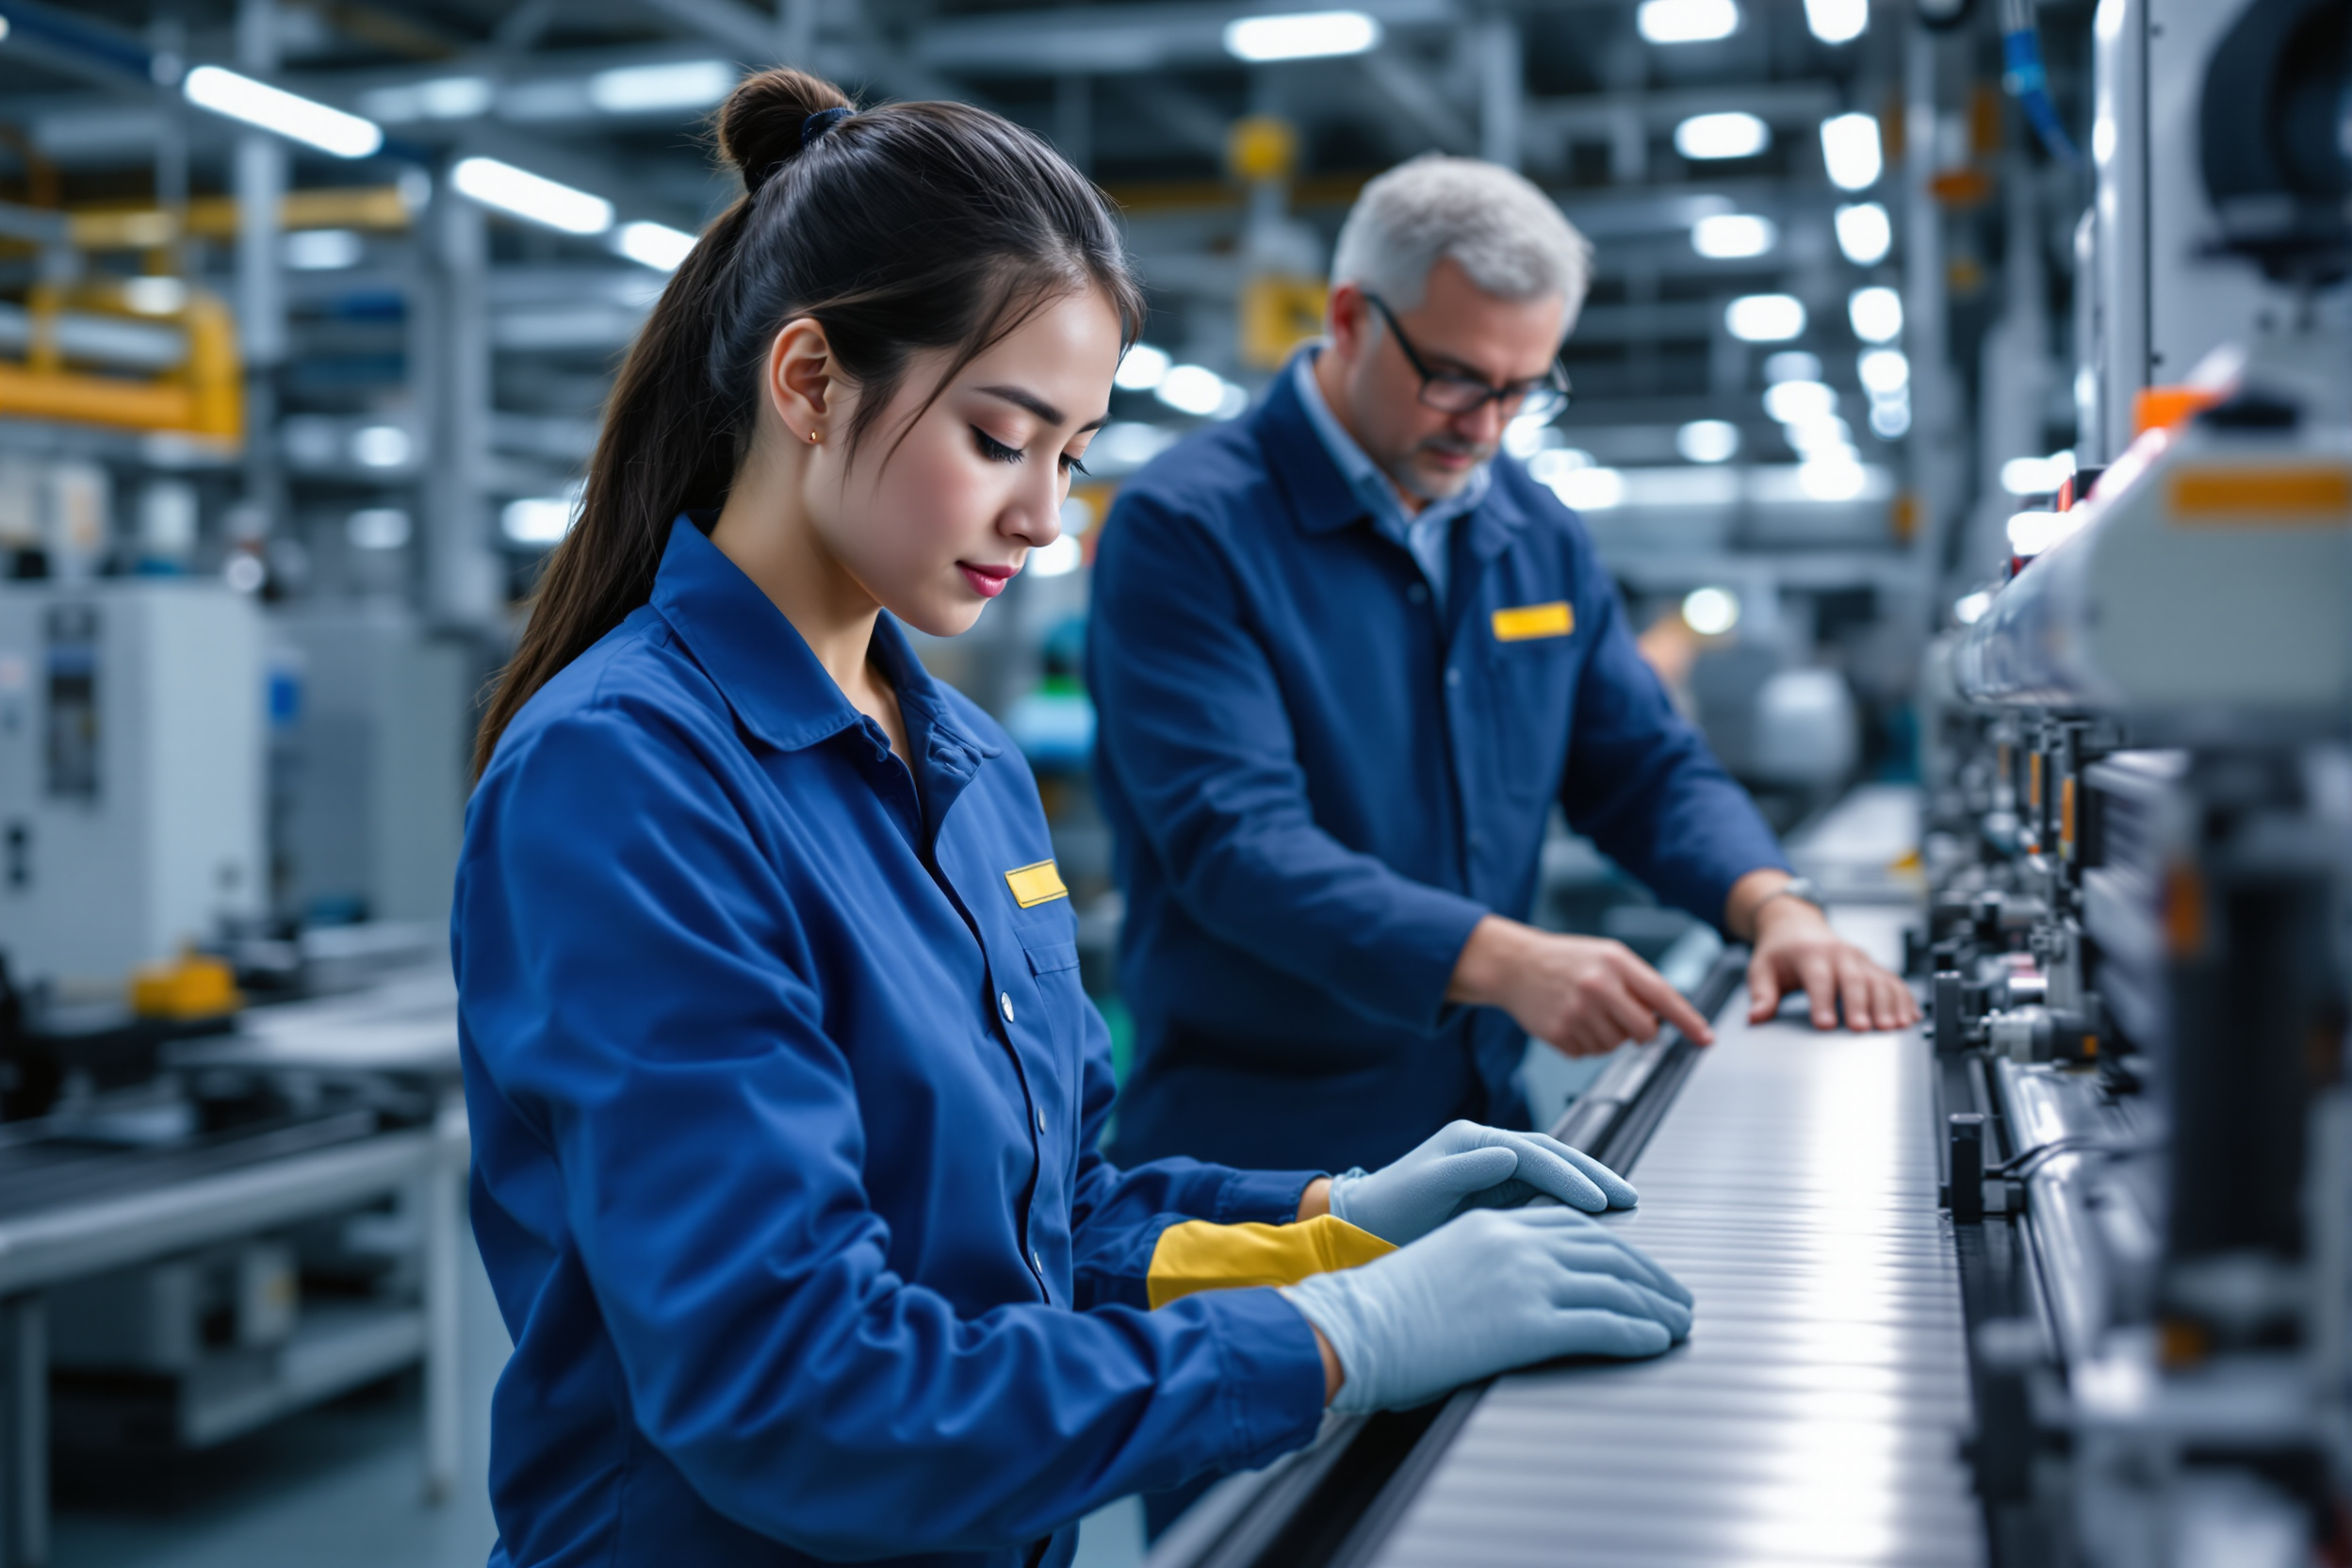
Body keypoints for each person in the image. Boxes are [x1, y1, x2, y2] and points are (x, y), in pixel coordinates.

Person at [456, 74, 1696, 1568]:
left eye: (1074, 454)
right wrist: (1333, 1337)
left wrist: (1333, 1221)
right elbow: (796, 1388)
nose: (1046, 516)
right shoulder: (629, 780)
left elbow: (1058, 1219)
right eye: (1000, 437)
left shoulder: (965, 760)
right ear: (809, 382)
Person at [1088, 155, 1920, 1181]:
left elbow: (1642, 765)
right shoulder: (1192, 526)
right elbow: (1236, 841)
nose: (1485, 426)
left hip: (1477, 1114)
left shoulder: (1532, 530)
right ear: (1350, 317)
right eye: (1455, 376)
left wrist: (1772, 902)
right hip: (1258, 1161)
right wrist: (1504, 960)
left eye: (1524, 388)